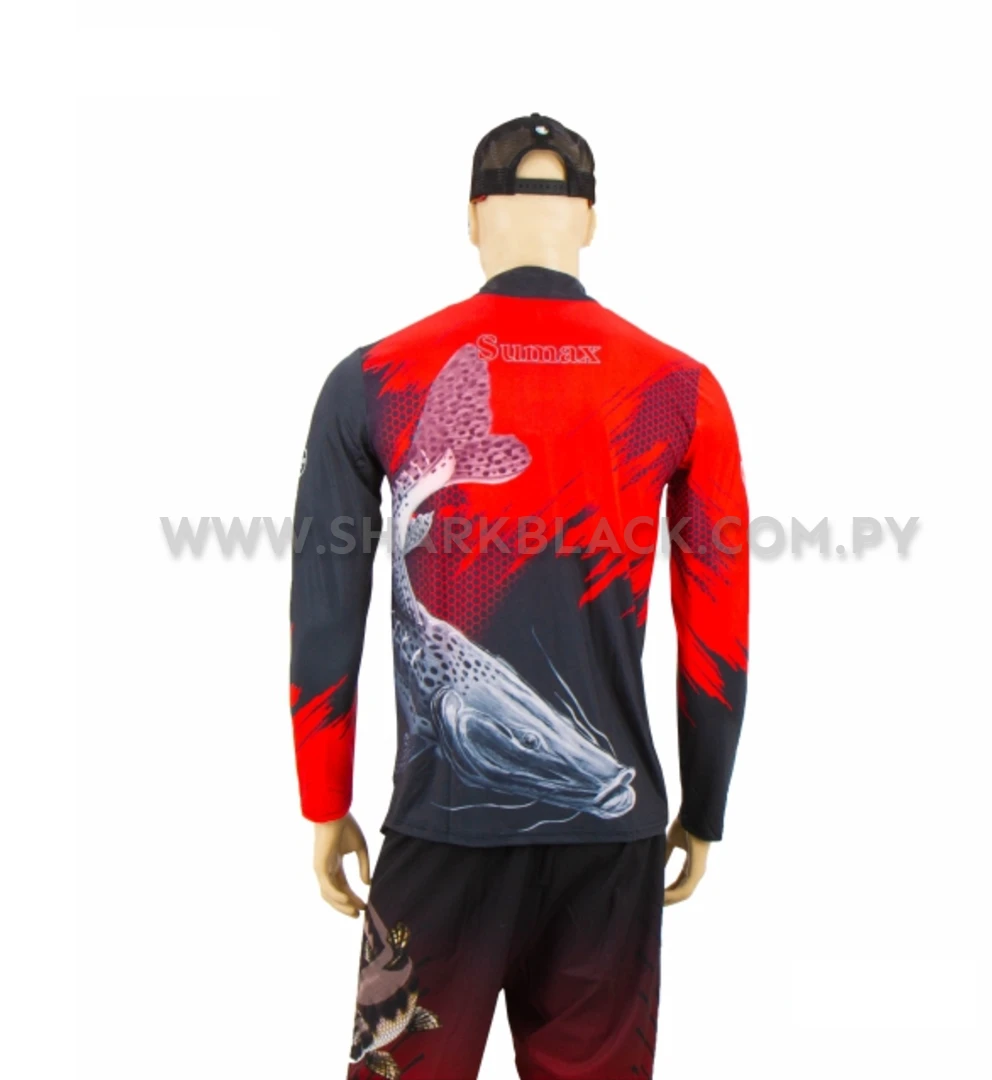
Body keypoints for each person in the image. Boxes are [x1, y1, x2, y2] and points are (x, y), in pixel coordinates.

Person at [290, 112, 750, 1080]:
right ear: (590, 220)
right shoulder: (680, 388)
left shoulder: (370, 379)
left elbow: (323, 608)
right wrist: (702, 805)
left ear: (471, 217)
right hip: (612, 847)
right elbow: (718, 620)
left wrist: (324, 800)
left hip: (439, 834)